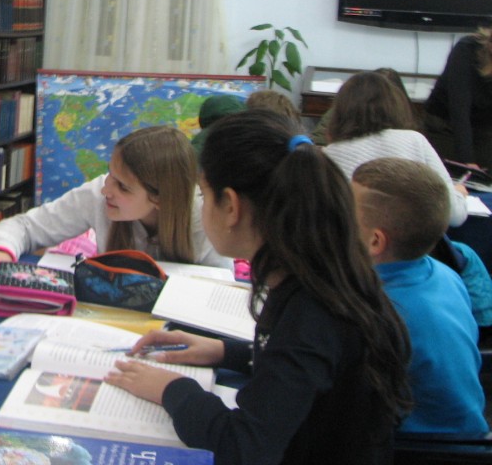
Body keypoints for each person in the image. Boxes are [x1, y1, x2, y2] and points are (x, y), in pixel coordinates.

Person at [104, 110, 411, 465]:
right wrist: (226, 351)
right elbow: (301, 374)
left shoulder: (312, 314)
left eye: (204, 193)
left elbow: (243, 447)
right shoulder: (318, 277)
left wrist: (171, 388)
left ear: (231, 206)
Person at [0, 126, 231, 281]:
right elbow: (25, 227)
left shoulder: (206, 217)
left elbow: (222, 288)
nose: (106, 189)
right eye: (110, 174)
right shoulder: (98, 195)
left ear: (160, 199)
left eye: (123, 186)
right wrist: (1, 251)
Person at [351, 157, 488, 437]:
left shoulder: (377, 310)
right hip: (469, 433)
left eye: (344, 213)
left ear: (375, 241)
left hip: (422, 448)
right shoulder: (444, 274)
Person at [324, 70, 469, 226]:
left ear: (339, 110)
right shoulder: (415, 141)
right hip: (410, 239)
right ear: (395, 105)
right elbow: (455, 214)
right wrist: (459, 195)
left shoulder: (329, 155)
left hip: (353, 239)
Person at [424, 18, 492, 170]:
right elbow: (459, 109)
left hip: (484, 128)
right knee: (454, 174)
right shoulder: (467, 49)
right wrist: (467, 161)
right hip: (445, 126)